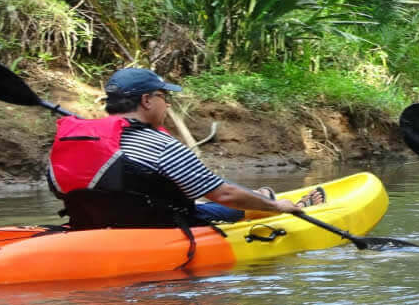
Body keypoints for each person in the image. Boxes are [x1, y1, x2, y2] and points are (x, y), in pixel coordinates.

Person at [46, 68, 311, 229]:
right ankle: (275, 200)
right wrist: (275, 208)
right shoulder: (160, 145)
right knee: (247, 201)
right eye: (165, 97)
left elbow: (61, 190)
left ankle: (264, 197)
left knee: (192, 199)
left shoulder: (73, 141)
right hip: (159, 227)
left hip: (94, 224)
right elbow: (224, 194)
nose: (169, 105)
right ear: (147, 100)